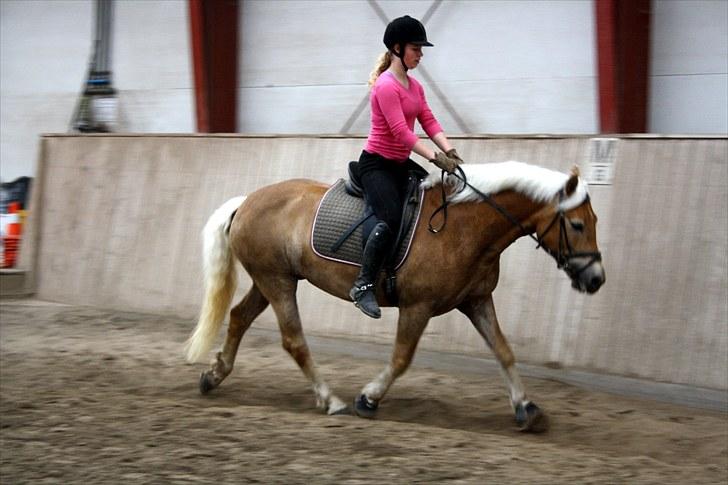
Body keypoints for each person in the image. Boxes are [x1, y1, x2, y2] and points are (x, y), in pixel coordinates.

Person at [349, 15, 463, 319]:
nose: (421, 54)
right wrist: (435, 158)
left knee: (431, 201)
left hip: (400, 163)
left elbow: (428, 120)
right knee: (389, 217)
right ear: (398, 48)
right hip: (376, 166)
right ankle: (362, 285)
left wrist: (450, 149)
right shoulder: (386, 86)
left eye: (421, 49)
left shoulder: (415, 86)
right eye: (416, 48)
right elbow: (401, 132)